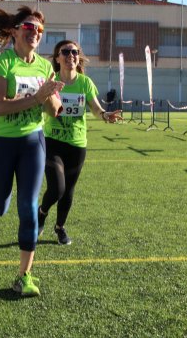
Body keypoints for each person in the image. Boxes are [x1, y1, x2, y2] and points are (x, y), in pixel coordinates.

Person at [0, 5, 64, 297]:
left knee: (28, 208)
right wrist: (36, 98)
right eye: (29, 28)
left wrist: (49, 97)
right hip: (0, 143)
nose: (35, 33)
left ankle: (24, 276)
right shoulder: (2, 64)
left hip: (33, 141)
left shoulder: (45, 67)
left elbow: (55, 108)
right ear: (14, 32)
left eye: (40, 30)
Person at [38, 40, 122, 245]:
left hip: (77, 145)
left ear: (78, 57)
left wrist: (105, 115)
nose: (70, 55)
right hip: (53, 141)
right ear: (57, 58)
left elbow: (95, 109)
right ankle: (41, 213)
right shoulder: (51, 80)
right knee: (57, 188)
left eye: (74, 52)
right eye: (65, 52)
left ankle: (60, 227)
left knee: (68, 191)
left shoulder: (85, 83)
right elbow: (38, 104)